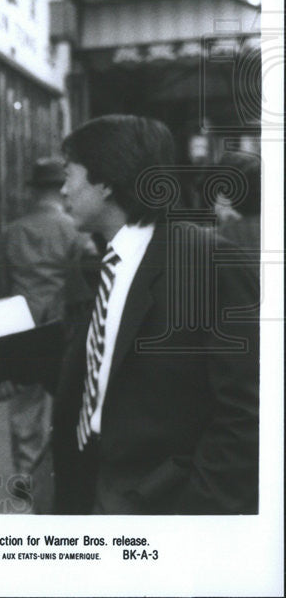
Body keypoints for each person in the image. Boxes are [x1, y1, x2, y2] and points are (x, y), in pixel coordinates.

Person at [52, 115, 259, 514]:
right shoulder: (103, 262)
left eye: (69, 174)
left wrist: (193, 509)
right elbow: (112, 364)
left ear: (106, 181)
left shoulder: (210, 262)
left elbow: (246, 414)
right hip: (91, 488)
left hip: (162, 505)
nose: (63, 191)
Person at [0, 157, 94, 505]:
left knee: (24, 401)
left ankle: (25, 471)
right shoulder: (75, 230)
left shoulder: (13, 229)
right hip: (61, 323)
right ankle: (54, 472)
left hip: (20, 320)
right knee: (67, 398)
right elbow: (82, 281)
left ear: (36, 190)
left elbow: (2, 281)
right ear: (60, 190)